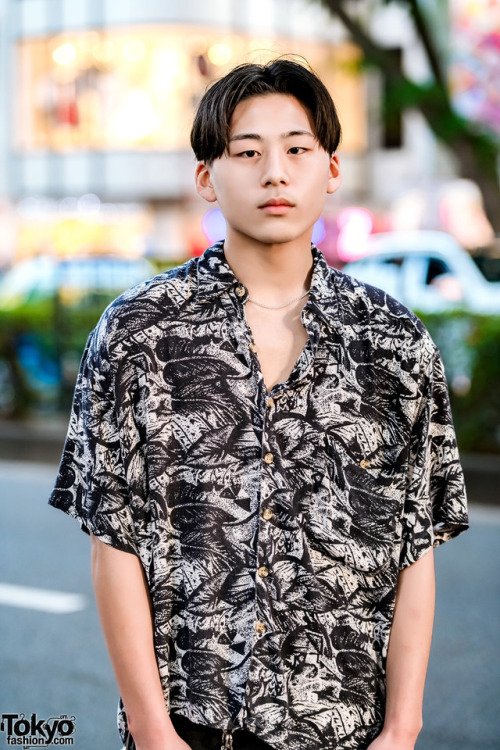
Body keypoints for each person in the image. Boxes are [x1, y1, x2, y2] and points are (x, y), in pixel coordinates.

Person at [48, 57, 469, 750]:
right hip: (192, 729)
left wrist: (404, 726)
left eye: (297, 150)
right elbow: (113, 539)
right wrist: (155, 732)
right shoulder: (139, 333)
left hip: (348, 730)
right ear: (207, 177)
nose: (275, 172)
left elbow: (413, 549)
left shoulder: (394, 345)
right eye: (247, 152)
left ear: (330, 169)